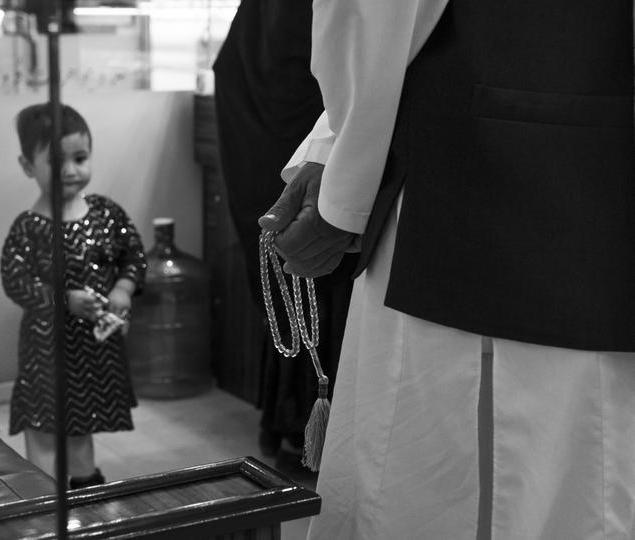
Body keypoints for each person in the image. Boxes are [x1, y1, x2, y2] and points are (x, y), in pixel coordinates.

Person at [261, 1, 635, 539]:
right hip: (492, 191)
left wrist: (343, 183)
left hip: (459, 182)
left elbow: (375, 16)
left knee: (434, 476)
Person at [212, 0, 357, 471]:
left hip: (269, 143)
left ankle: (293, 425)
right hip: (308, 153)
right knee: (318, 291)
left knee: (294, 292)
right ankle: (312, 428)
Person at [0, 103, 146, 488]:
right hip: (45, 349)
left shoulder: (105, 213)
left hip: (92, 351)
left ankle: (86, 493)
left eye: (80, 158)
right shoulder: (30, 229)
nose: (70, 171)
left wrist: (123, 288)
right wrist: (63, 300)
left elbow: (134, 254)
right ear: (28, 165)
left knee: (83, 423)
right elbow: (15, 280)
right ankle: (45, 499)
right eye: (57, 161)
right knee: (45, 424)